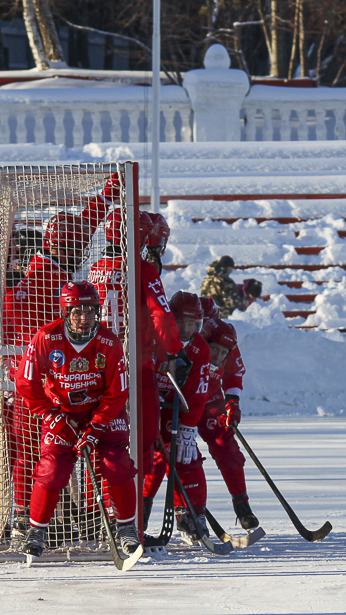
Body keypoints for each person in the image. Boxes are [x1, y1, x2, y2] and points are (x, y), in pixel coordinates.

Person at [10, 281, 140, 561]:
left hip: (102, 411)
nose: (85, 318)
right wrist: (51, 415)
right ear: (65, 312)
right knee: (52, 468)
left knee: (116, 464)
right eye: (77, 312)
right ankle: (36, 531)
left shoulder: (109, 342)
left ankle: (127, 528)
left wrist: (96, 427)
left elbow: (117, 392)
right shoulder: (46, 337)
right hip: (62, 413)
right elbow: (25, 382)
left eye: (90, 311)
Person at [87, 208, 184, 521]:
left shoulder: (95, 269)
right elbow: (162, 317)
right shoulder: (142, 268)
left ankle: (95, 513)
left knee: (100, 439)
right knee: (141, 440)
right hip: (135, 367)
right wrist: (174, 351)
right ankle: (128, 517)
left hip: (97, 367)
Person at [148, 291, 218, 546]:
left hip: (174, 406)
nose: (187, 330)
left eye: (193, 323)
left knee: (186, 456)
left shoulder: (199, 348)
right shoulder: (152, 337)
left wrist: (188, 427)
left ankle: (192, 515)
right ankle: (137, 519)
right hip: (146, 404)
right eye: (182, 323)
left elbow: (197, 392)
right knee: (150, 461)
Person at [197, 319, 261, 538]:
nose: (218, 356)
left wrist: (232, 402)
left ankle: (242, 505)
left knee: (227, 446)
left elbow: (233, 373)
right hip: (180, 401)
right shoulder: (186, 338)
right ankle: (184, 513)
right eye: (214, 349)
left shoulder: (223, 334)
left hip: (210, 401)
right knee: (180, 455)